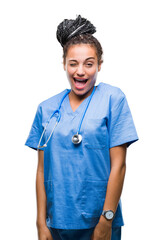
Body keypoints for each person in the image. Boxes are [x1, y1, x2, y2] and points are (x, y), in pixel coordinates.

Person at [25, 15, 139, 240]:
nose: (80, 71)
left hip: (99, 221)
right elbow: (41, 171)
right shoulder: (46, 109)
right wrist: (40, 222)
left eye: (89, 63)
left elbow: (119, 165)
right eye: (73, 63)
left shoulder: (112, 99)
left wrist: (106, 220)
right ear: (64, 64)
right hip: (56, 222)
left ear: (99, 64)